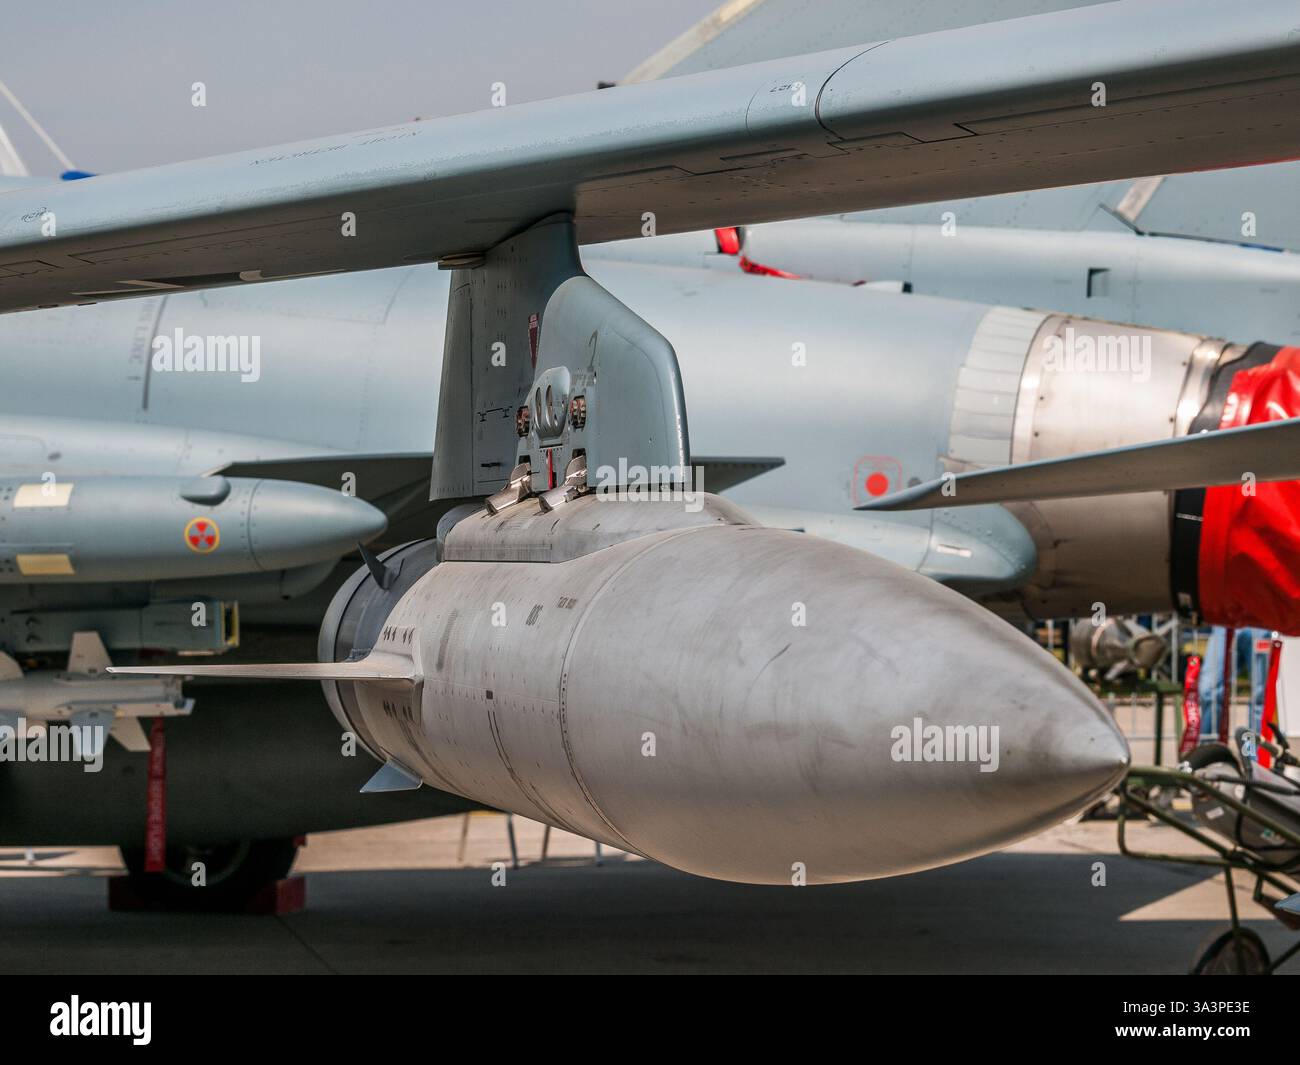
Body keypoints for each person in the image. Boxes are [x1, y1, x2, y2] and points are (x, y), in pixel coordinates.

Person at [1197, 626, 1271, 747]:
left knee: (1260, 696)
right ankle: (1209, 752)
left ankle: (1253, 755)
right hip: (1225, 624)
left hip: (1260, 624)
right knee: (1209, 690)